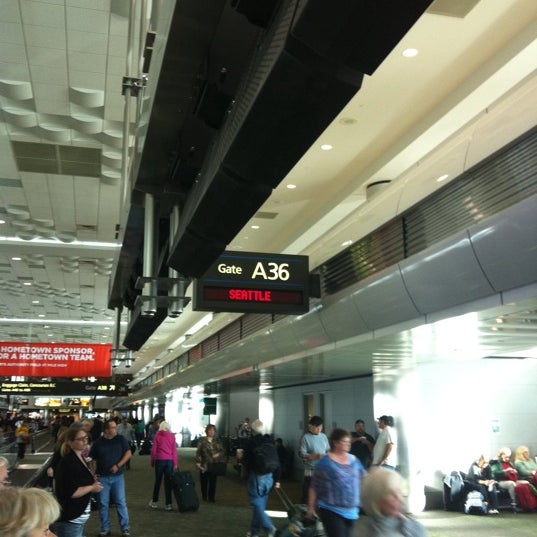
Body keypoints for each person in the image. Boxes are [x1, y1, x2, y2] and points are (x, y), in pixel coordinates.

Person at [307, 428, 364, 537]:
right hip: (331, 511)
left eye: (349, 442)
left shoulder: (354, 460)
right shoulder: (325, 463)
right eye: (345, 442)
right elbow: (314, 486)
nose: (348, 444)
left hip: (352, 512)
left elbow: (364, 478)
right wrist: (311, 507)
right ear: (335, 443)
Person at [52, 426, 104, 537]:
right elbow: (72, 492)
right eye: (80, 439)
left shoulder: (79, 457)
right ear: (70, 442)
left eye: (86, 438)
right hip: (70, 518)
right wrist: (92, 487)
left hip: (77, 518)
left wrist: (91, 480)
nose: (85, 441)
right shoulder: (68, 462)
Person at [355, 467, 428, 537]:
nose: (399, 498)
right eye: (391, 494)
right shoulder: (361, 531)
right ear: (376, 500)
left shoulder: (415, 529)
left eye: (398, 491)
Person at [89, 418, 132, 537]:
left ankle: (125, 528)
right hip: (102, 477)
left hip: (118, 477)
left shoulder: (120, 439)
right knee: (103, 504)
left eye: (115, 427)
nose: (115, 429)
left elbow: (128, 453)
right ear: (106, 430)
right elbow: (91, 459)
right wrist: (93, 474)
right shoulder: (98, 443)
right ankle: (105, 528)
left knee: (120, 502)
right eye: (113, 428)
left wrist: (118, 465)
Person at [239, 419, 281, 537]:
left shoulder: (251, 442)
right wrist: (277, 479)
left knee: (256, 503)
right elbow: (277, 461)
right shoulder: (270, 441)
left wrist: (240, 457)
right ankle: (254, 531)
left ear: (252, 430)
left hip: (257, 477)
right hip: (270, 477)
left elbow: (246, 461)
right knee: (261, 504)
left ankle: (270, 528)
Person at [299, 415, 330, 502]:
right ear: (310, 426)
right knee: (308, 493)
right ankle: (305, 509)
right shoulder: (305, 437)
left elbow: (328, 450)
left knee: (321, 493)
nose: (319, 429)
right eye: (316, 427)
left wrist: (328, 455)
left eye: (320, 426)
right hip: (310, 470)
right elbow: (301, 454)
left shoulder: (324, 436)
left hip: (323, 469)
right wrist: (316, 456)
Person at [149, 421, 178, 510]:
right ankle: (168, 504)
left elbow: (153, 451)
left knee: (158, 481)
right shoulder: (172, 436)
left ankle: (154, 502)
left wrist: (152, 461)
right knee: (168, 482)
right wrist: (175, 463)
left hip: (160, 460)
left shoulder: (157, 436)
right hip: (169, 461)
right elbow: (174, 451)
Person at [490, 447, 527, 512]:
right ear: (501, 455)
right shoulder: (495, 462)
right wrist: (505, 471)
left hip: (512, 479)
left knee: (526, 482)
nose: (507, 459)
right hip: (500, 481)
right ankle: (514, 505)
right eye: (506, 457)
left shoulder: (510, 463)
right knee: (511, 484)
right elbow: (494, 473)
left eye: (508, 457)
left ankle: (526, 504)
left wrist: (514, 472)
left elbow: (514, 474)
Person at [195, 423, 225, 502]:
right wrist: (198, 462)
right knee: (203, 481)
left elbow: (222, 451)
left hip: (214, 463)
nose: (212, 432)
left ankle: (211, 497)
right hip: (204, 464)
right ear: (206, 431)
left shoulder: (217, 440)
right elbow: (198, 451)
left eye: (213, 430)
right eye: (210, 430)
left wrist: (218, 454)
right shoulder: (202, 440)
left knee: (213, 481)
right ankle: (204, 496)